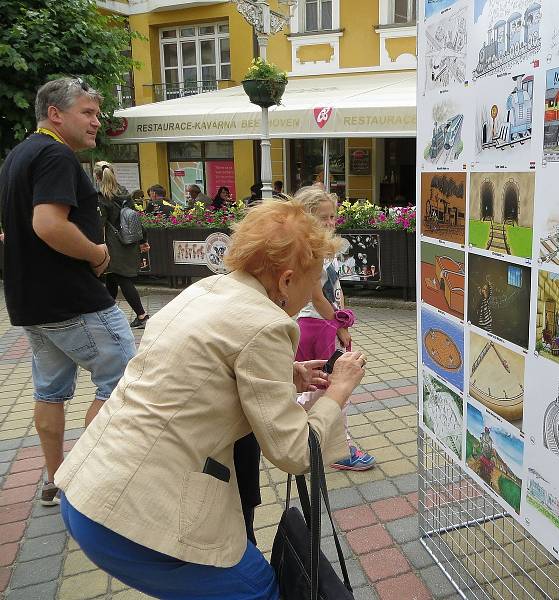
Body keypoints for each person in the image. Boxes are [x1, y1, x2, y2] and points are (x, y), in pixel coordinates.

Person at [55, 200, 366, 599]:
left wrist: (288, 374)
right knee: (259, 591)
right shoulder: (269, 324)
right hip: (137, 517)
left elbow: (194, 371)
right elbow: (294, 451)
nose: (315, 292)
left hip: (91, 488)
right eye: (313, 283)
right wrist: (338, 391)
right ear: (287, 281)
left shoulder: (205, 289)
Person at [0, 77, 137, 505]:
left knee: (49, 391)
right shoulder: (55, 153)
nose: (97, 121)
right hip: (75, 300)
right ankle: (82, 476)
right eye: (88, 112)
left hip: (31, 302)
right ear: (55, 114)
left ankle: (56, 477)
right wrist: (97, 253)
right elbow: (48, 223)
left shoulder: (17, 156)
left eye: (97, 113)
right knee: (123, 383)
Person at [295, 186, 376, 471]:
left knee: (317, 386)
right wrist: (339, 324)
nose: (331, 223)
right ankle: (338, 449)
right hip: (317, 326)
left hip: (320, 323)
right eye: (324, 218)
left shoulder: (321, 247)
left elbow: (333, 289)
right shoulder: (310, 250)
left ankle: (310, 437)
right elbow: (316, 297)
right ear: (306, 218)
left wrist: (341, 315)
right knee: (335, 387)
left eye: (333, 217)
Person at [93, 161, 151, 329]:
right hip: (129, 241)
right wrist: (143, 241)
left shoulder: (101, 197)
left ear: (97, 177)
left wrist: (96, 246)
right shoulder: (125, 193)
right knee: (111, 277)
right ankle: (108, 317)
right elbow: (136, 219)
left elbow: (100, 225)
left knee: (122, 278)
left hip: (114, 243)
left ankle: (142, 315)